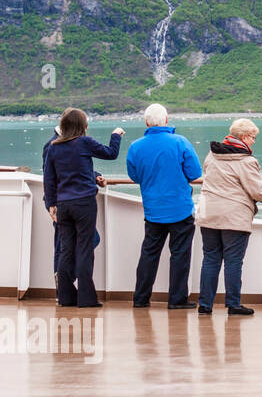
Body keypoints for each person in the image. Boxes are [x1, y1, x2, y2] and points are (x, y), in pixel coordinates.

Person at [42, 109, 122, 307]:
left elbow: (49, 179)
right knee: (85, 249)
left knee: (66, 250)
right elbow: (111, 154)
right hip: (84, 203)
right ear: (81, 125)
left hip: (63, 205)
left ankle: (66, 297)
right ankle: (86, 299)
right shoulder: (85, 142)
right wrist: (116, 135)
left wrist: (51, 204)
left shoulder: (53, 147)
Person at [126, 104, 203, 309]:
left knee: (149, 255)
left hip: (153, 210)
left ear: (146, 122)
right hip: (180, 209)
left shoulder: (135, 146)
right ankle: (177, 300)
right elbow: (195, 173)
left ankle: (140, 298)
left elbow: (134, 176)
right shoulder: (180, 142)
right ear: (167, 120)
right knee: (179, 256)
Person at [194, 119, 262, 316]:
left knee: (210, 259)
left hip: (209, 213)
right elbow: (257, 191)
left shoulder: (212, 154)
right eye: (253, 137)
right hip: (234, 217)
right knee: (233, 261)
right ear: (244, 137)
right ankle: (233, 304)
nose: (253, 141)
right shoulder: (246, 161)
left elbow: (206, 173)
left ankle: (205, 304)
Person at [43, 127, 104, 280]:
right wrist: (52, 205)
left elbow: (73, 168)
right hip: (60, 202)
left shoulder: (68, 142)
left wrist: (95, 176)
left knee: (65, 245)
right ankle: (64, 282)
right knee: (63, 245)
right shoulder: (53, 144)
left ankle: (65, 282)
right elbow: (50, 176)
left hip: (64, 201)